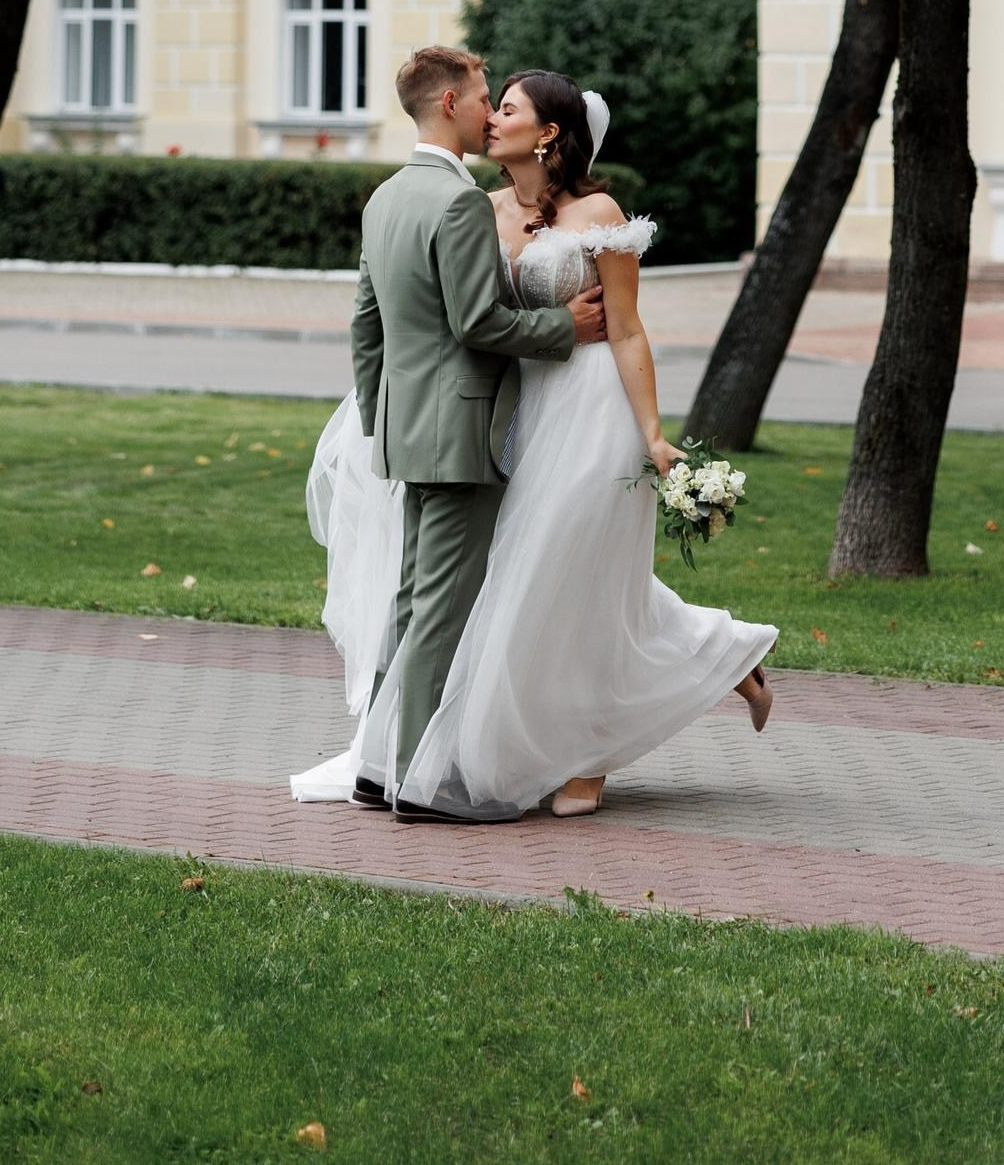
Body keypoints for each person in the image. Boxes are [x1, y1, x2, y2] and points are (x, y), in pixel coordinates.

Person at [294, 58, 775, 822]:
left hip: (587, 411)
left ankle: (583, 756)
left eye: (506, 108)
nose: (490, 118)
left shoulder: (600, 213)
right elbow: (454, 317)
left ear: (548, 133)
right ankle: (719, 658)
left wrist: (652, 434)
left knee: (567, 575)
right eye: (490, 104)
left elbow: (625, 329)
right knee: (528, 581)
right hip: (509, 410)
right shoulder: (472, 206)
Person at [338, 42, 607, 819]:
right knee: (442, 610)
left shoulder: (386, 197)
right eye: (486, 95)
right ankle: (422, 781)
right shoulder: (457, 202)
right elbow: (477, 321)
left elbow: (366, 328)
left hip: (405, 429)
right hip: (461, 432)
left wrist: (378, 420)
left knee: (410, 601)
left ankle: (375, 764)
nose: (492, 110)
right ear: (450, 102)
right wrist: (562, 327)